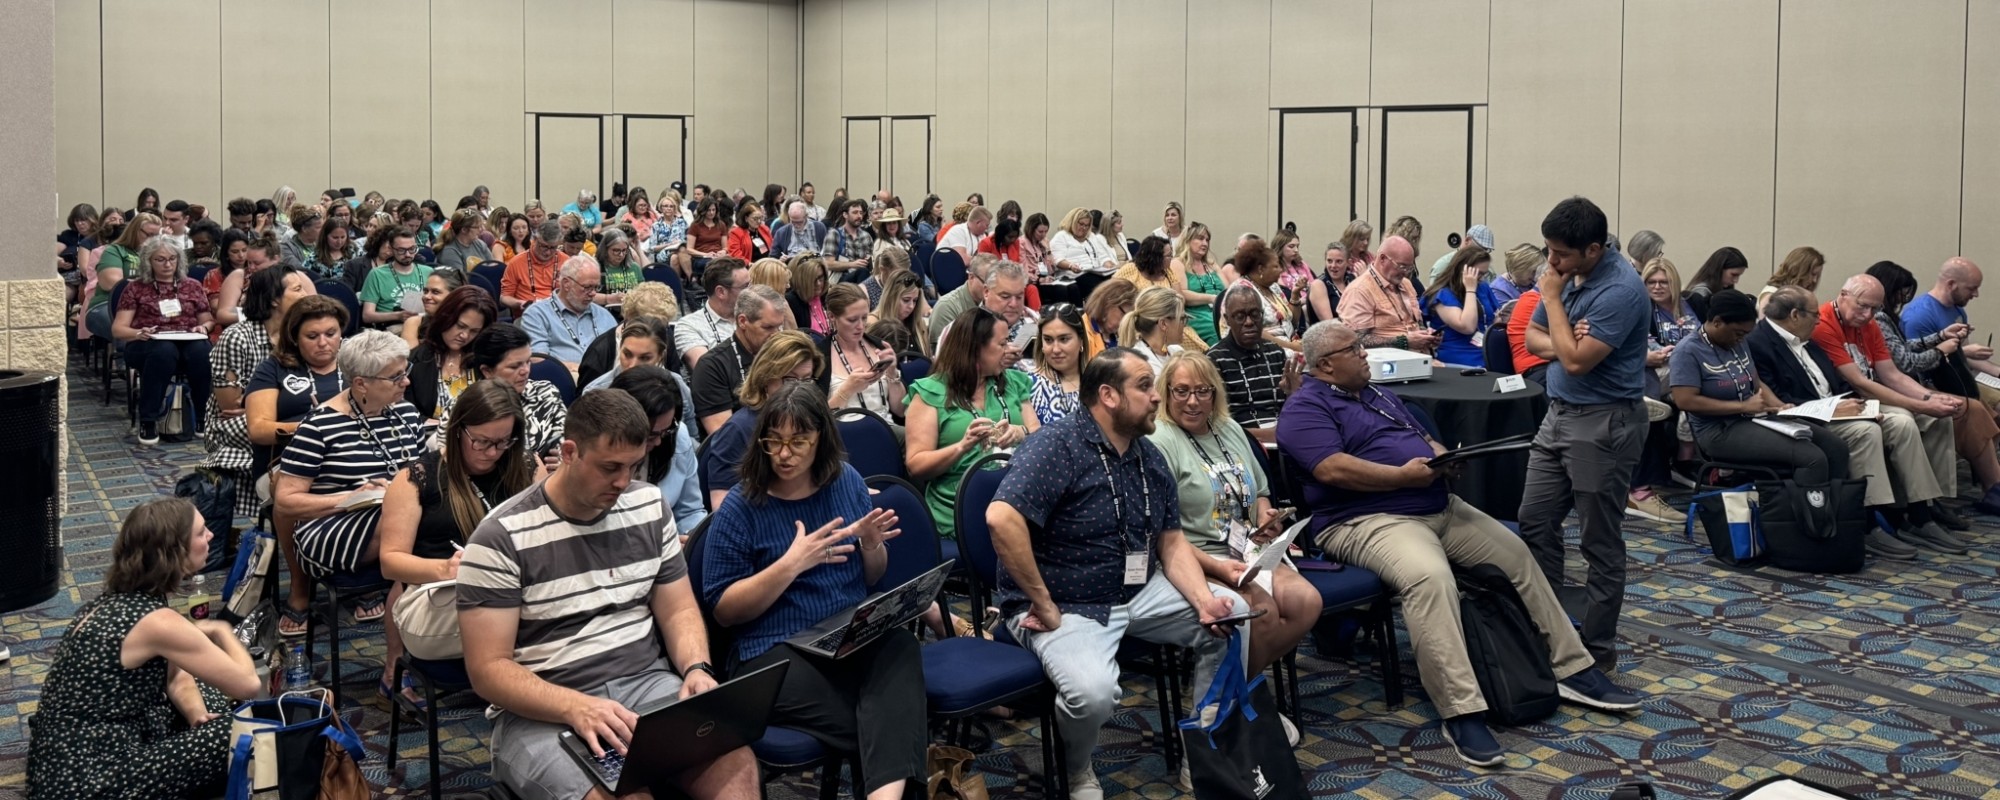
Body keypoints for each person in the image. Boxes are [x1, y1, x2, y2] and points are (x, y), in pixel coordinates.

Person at [1278, 321, 1639, 766]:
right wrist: (1402, 477)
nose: (1365, 353)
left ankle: (1572, 668)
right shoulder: (1304, 408)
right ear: (1326, 364)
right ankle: (1461, 709)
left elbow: (1423, 437)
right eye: (1354, 349)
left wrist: (1443, 457)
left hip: (1437, 505)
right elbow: (1331, 469)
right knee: (1430, 578)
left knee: (1516, 555)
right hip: (1366, 519)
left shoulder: (1377, 394)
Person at [457, 390, 761, 800]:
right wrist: (574, 706)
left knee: (736, 766)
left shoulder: (647, 505)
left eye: (633, 466)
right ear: (569, 452)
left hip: (646, 686)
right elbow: (488, 669)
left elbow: (678, 609)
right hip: (541, 710)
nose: (622, 481)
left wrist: (696, 668)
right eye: (609, 467)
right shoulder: (500, 536)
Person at [987, 347, 1250, 797]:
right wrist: (1042, 600)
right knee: (1092, 694)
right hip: (1067, 602)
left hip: (1137, 591)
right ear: (1109, 396)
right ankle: (1076, 768)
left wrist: (1205, 602)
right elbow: (1001, 518)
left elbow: (1170, 542)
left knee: (1232, 616)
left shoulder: (1147, 455)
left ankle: (1204, 751)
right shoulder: (1057, 445)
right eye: (1145, 386)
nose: (1156, 396)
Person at [696, 382, 924, 800]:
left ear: (821, 439)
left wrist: (871, 545)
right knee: (892, 721)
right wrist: (791, 565)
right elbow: (724, 610)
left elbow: (872, 577)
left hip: (842, 634)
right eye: (774, 441)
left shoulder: (846, 481)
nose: (784, 454)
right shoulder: (742, 506)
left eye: (798, 441)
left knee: (901, 645)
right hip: (770, 651)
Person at [26, 498, 263, 799]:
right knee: (239, 731)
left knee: (205, 688)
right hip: (90, 780)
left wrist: (197, 717)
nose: (211, 535)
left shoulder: (113, 602)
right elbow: (248, 685)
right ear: (176, 551)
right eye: (201, 532)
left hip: (60, 762)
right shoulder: (158, 622)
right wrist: (223, 630)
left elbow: (177, 676)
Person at [1518, 196, 1652, 672]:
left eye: (1561, 254)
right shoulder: (1568, 273)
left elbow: (1577, 362)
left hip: (1605, 422)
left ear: (1594, 249)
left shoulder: (1620, 290)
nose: (1550, 263)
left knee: (1598, 540)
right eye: (1548, 251)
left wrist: (1554, 304)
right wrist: (1566, 337)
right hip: (1558, 414)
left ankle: (1597, 649)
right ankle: (1550, 632)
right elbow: (1532, 339)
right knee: (1534, 522)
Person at [1747, 286, 1950, 560]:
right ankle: (1868, 521)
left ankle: (1918, 513)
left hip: (1836, 407)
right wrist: (1836, 409)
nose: (1819, 320)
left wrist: (1859, 405)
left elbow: (1836, 382)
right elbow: (1781, 403)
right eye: (1814, 314)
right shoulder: (1759, 344)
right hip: (1805, 418)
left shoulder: (1807, 339)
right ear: (1795, 315)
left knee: (1901, 422)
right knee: (1866, 431)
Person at [1149, 352, 1318, 679]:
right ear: (1166, 392)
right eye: (1181, 391)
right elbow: (1161, 534)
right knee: (1263, 615)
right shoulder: (1159, 440)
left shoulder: (1228, 428)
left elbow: (1260, 492)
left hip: (1247, 551)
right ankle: (1236, 699)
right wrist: (1218, 567)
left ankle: (1236, 685)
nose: (1193, 401)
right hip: (1196, 556)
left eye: (1202, 391)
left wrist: (1265, 516)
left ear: (1215, 393)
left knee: (1307, 602)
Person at [378, 380, 539, 702]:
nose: (492, 452)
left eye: (503, 442)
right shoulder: (416, 478)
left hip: (512, 586)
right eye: (481, 441)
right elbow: (390, 562)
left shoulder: (527, 467)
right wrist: (445, 569)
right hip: (440, 595)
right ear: (457, 431)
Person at [275, 330, 423, 632]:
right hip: (330, 525)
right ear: (361, 383)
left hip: (393, 516)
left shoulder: (407, 413)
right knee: (407, 517)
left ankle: (418, 601)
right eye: (395, 377)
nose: (406, 382)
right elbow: (285, 502)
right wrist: (351, 498)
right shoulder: (320, 425)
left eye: (405, 371)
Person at [1811, 275, 1970, 553]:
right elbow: (1860, 383)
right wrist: (1920, 404)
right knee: (1904, 422)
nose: (1867, 315)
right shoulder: (1824, 323)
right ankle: (1908, 515)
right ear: (1843, 295)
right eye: (1862, 306)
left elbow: (1891, 374)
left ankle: (1929, 502)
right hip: (1850, 399)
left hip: (1873, 396)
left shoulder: (1869, 324)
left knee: (1938, 416)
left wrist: (1929, 398)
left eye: (1874, 308)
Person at [1668, 290, 1850, 485]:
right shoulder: (1688, 351)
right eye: (1738, 333)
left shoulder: (1738, 343)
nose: (1741, 339)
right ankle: (1805, 505)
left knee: (1836, 447)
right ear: (1718, 322)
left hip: (1755, 419)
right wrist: (1743, 406)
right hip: (1718, 430)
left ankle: (1836, 503)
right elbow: (1685, 400)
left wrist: (1779, 407)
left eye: (1745, 334)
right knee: (1812, 458)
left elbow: (1756, 382)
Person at [906, 307, 1039, 539]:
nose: (1009, 350)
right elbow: (916, 465)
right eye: (1002, 343)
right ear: (976, 348)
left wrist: (1022, 432)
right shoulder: (930, 392)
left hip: (1018, 499)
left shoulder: (1014, 382)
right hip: (962, 509)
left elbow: (1039, 434)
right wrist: (962, 446)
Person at [204, 265, 314, 520]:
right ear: (275, 299)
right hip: (232, 425)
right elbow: (230, 406)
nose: (306, 296)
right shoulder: (237, 337)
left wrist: (263, 401)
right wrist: (280, 402)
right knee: (305, 436)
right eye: (298, 289)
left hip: (284, 415)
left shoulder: (300, 335)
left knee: (313, 432)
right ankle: (289, 506)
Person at [703, 331, 825, 507]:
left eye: (806, 380)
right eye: (790, 380)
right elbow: (721, 505)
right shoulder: (738, 429)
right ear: (765, 378)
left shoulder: (814, 421)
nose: (799, 389)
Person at [114, 235, 216, 445]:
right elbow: (118, 329)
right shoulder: (135, 288)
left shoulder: (192, 286)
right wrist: (138, 333)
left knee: (202, 351)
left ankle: (202, 416)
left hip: (187, 341)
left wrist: (203, 328)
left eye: (172, 259)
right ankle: (148, 420)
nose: (167, 264)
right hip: (145, 343)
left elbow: (208, 321)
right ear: (148, 262)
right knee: (164, 351)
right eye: (160, 260)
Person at [608, 366, 708, 535]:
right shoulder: (598, 451)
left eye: (666, 431)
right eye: (651, 435)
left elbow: (690, 511)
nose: (658, 441)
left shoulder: (677, 436)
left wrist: (689, 536)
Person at [453, 323, 568, 461]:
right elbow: (449, 459)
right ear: (487, 371)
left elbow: (568, 444)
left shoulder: (546, 393)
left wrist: (563, 462)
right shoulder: (463, 405)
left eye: (528, 362)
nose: (526, 371)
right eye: (514, 366)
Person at [1208, 283, 1300, 443]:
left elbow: (1291, 411)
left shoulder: (1275, 352)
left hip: (1285, 438)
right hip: (1243, 444)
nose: (1249, 322)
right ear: (1227, 320)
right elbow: (1217, 423)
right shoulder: (1215, 360)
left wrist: (1293, 393)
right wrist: (1270, 436)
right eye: (1240, 316)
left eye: (1255, 314)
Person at [691, 284, 790, 434]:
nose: (776, 335)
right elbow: (724, 436)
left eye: (779, 327)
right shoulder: (712, 366)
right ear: (743, 321)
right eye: (768, 328)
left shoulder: (784, 356)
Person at [406, 286, 498, 425]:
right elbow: (406, 413)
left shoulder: (487, 360)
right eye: (460, 326)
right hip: (430, 435)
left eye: (474, 331)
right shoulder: (415, 360)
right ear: (444, 317)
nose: (464, 335)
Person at [1337, 235, 1433, 353]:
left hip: (1419, 357)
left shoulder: (1406, 284)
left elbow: (1417, 323)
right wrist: (1403, 341)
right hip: (1386, 360)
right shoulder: (1359, 290)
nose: (1405, 273)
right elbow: (1354, 339)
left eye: (1409, 268)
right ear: (1383, 259)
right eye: (1402, 266)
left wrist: (1426, 335)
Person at [823, 284, 905, 419]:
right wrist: (847, 390)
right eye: (852, 320)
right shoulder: (820, 355)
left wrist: (892, 373)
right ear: (832, 316)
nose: (861, 326)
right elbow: (817, 419)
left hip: (885, 426)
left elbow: (901, 411)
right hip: (845, 429)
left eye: (864, 318)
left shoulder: (880, 347)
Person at [521, 256, 616, 370]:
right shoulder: (537, 314)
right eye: (587, 287)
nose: (593, 293)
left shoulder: (604, 315)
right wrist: (580, 369)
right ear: (566, 284)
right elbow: (538, 359)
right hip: (562, 377)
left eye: (596, 287)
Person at [1114, 237, 1207, 353]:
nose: (1171, 258)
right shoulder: (1130, 270)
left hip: (1168, 322)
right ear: (1155, 257)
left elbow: (1180, 300)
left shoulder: (1168, 272)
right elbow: (1111, 293)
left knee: (1197, 347)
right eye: (1168, 256)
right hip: (1142, 325)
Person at [1421, 245, 1499, 367]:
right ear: (1463, 270)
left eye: (1484, 273)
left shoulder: (1483, 287)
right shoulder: (1443, 294)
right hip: (1461, 355)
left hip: (1486, 351)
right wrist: (1470, 290)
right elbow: (1467, 326)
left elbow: (1494, 318)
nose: (1481, 278)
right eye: (1478, 273)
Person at [1230, 239, 1305, 351]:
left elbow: (1292, 321)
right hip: (1262, 349)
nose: (1281, 270)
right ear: (1261, 269)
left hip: (1289, 343)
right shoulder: (1242, 292)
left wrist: (1295, 294)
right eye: (1276, 266)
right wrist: (1291, 346)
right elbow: (1253, 331)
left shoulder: (1273, 287)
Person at [678, 257, 752, 369]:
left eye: (750, 285)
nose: (751, 291)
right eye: (745, 287)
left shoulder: (756, 314)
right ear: (721, 292)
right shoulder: (689, 326)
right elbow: (707, 370)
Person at [356, 230, 431, 328]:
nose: (408, 254)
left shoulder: (428, 272)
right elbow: (367, 316)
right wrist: (398, 316)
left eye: (412, 249)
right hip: (392, 326)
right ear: (391, 250)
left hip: (424, 324)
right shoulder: (377, 274)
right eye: (401, 250)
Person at [1031, 303, 1090, 425]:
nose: (1056, 349)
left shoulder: (1099, 382)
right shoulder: (1028, 385)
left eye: (1063, 339)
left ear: (1081, 340)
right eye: (1048, 340)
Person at [925, 254, 996, 353]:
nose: (992, 289)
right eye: (987, 283)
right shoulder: (947, 307)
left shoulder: (994, 303)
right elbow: (945, 353)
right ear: (971, 277)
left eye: (996, 284)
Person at [1049, 207, 1113, 306]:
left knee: (1116, 279)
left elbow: (1103, 256)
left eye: (1087, 225)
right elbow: (1058, 260)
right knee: (1098, 286)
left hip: (1095, 272)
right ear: (1072, 222)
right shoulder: (1061, 236)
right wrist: (1071, 266)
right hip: (1075, 275)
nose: (1084, 228)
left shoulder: (1091, 236)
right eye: (1081, 224)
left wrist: (1108, 264)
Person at [500, 220, 566, 315]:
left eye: (553, 248)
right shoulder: (516, 262)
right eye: (544, 246)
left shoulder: (566, 262)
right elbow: (504, 298)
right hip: (527, 314)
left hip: (559, 315)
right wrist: (520, 303)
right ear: (534, 239)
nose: (548, 252)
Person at [1119, 287, 1188, 375]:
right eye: (1182, 319)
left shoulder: (1177, 351)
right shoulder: (1140, 363)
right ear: (1163, 324)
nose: (1185, 325)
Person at [869, 269, 931, 359]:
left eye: (915, 301)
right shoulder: (873, 323)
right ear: (891, 298)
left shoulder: (919, 325)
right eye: (906, 300)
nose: (911, 306)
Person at [401, 267, 469, 348]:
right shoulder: (414, 323)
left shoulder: (469, 325)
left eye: (435, 292)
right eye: (426, 291)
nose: (426, 296)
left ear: (455, 295)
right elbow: (412, 355)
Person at [1682, 246, 1748, 322]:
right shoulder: (1701, 293)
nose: (1736, 281)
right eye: (1733, 275)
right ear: (1719, 270)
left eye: (1739, 275)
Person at [820, 199, 876, 282]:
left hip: (862, 278)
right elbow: (828, 263)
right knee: (862, 271)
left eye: (861, 213)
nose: (859, 216)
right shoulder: (834, 234)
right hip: (840, 279)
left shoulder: (866, 236)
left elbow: (871, 260)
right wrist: (852, 264)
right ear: (845, 215)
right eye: (855, 212)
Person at [1756, 245, 1826, 312]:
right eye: (1813, 274)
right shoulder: (1770, 295)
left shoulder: (1802, 297)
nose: (1814, 280)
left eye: (1818, 276)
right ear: (1798, 271)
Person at [1081, 277, 1137, 356]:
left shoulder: (1118, 338)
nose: (1126, 322)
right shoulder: (1082, 335)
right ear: (1108, 304)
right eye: (1125, 315)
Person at [784, 255, 833, 336]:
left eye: (821, 277)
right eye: (813, 279)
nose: (818, 283)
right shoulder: (791, 301)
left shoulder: (827, 295)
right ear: (801, 280)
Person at [1305, 242, 1350, 329]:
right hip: (1329, 334)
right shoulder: (1318, 285)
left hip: (1354, 331)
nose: (1333, 265)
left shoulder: (1352, 279)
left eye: (1339, 261)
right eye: (1329, 261)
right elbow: (1330, 325)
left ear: (1348, 262)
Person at [595, 231, 646, 306]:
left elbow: (643, 292)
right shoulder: (595, 267)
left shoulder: (634, 267)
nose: (621, 255)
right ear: (605, 249)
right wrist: (609, 298)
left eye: (624, 250)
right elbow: (588, 296)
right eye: (616, 250)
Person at [685, 198, 732, 276]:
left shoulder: (721, 224)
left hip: (717, 255)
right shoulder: (695, 225)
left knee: (732, 263)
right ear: (703, 211)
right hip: (701, 257)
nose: (711, 212)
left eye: (713, 210)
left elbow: (725, 247)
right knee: (714, 264)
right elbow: (689, 249)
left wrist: (723, 251)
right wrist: (706, 254)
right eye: (709, 210)